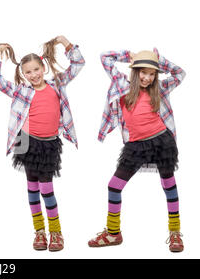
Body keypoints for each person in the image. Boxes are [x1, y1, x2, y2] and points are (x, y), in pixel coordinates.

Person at [0, 36, 85, 251]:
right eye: (28, 72)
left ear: (44, 67)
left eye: (36, 69)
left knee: (46, 187)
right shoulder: (21, 90)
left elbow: (78, 63)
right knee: (32, 186)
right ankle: (39, 231)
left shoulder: (57, 84)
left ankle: (56, 232)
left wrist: (65, 42)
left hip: (48, 143)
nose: (33, 75)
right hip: (25, 141)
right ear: (23, 75)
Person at [88, 49, 186, 252]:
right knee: (114, 186)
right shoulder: (122, 83)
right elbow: (104, 58)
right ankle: (113, 233)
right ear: (134, 71)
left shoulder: (159, 87)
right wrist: (128, 55)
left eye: (152, 74)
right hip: (135, 145)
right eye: (143, 72)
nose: (147, 78)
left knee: (169, 184)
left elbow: (180, 73)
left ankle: (175, 233)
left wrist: (159, 61)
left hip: (161, 141)